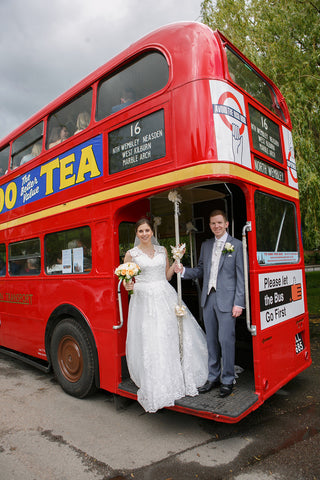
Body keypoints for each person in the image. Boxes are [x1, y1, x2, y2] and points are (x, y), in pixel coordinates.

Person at [122, 218, 208, 413]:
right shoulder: (131, 254)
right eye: (141, 231)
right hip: (143, 298)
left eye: (147, 230)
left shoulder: (162, 251)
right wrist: (128, 285)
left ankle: (181, 374)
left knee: (171, 335)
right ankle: (156, 379)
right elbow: (127, 279)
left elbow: (168, 276)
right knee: (152, 338)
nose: (144, 234)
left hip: (164, 294)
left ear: (152, 232)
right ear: (137, 233)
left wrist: (177, 259)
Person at [176, 210, 245, 398]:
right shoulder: (206, 246)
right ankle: (213, 377)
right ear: (210, 225)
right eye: (213, 223)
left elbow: (241, 277)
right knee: (211, 341)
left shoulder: (237, 245)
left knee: (226, 340)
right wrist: (183, 271)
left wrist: (239, 303)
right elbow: (200, 271)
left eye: (219, 223)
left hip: (228, 301)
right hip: (208, 299)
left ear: (227, 224)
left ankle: (228, 379)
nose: (216, 226)